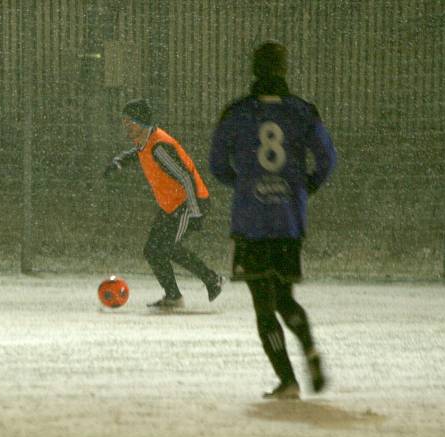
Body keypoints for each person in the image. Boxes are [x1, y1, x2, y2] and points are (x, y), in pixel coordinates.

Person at [208, 42, 337, 400]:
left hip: (252, 221)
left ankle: (288, 381)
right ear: (284, 69)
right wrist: (303, 186)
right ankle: (309, 349)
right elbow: (327, 159)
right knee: (284, 298)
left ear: (254, 69)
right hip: (288, 221)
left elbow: (217, 163)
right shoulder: (301, 112)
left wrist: (244, 184)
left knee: (263, 306)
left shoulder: (237, 113)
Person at [104, 98, 223, 309]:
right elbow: (139, 153)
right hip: (172, 205)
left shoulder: (159, 146)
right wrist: (120, 161)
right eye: (124, 122)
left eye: (129, 122)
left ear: (142, 123)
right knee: (152, 250)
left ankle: (211, 279)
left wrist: (195, 211)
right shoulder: (146, 142)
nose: (126, 127)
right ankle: (174, 297)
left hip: (189, 203)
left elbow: (186, 177)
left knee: (167, 248)